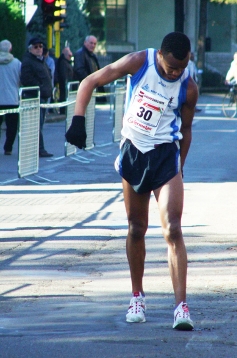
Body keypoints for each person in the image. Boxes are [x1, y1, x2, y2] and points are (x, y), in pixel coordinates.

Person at [66, 32, 198, 330]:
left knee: (173, 228)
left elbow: (187, 129)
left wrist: (181, 165)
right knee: (136, 228)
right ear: (160, 56)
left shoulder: (189, 87)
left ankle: (181, 307)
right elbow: (90, 81)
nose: (175, 73)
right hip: (134, 152)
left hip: (165, 155)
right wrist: (77, 120)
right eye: (170, 68)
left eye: (181, 67)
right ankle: (137, 296)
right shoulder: (140, 61)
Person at [20, 37, 53, 158]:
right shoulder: (28, 61)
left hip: (43, 97)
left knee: (39, 125)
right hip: (34, 97)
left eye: (40, 46)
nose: (39, 49)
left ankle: (37, 149)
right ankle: (39, 149)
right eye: (36, 47)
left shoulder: (40, 60)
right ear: (30, 49)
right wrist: (40, 87)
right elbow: (26, 79)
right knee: (36, 125)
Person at [0, 39, 21, 155]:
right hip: (12, 99)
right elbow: (21, 79)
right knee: (12, 126)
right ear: (10, 49)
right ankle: (8, 148)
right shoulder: (17, 63)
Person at [74, 35, 105, 101]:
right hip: (84, 88)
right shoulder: (80, 54)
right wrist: (90, 82)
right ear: (85, 42)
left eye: (94, 44)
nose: (93, 45)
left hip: (91, 88)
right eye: (91, 43)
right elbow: (79, 70)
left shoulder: (93, 56)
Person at [56, 46, 73, 115]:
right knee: (63, 97)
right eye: (69, 55)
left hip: (66, 84)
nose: (70, 57)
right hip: (64, 84)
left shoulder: (65, 62)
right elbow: (64, 74)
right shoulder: (63, 62)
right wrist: (66, 82)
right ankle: (63, 111)